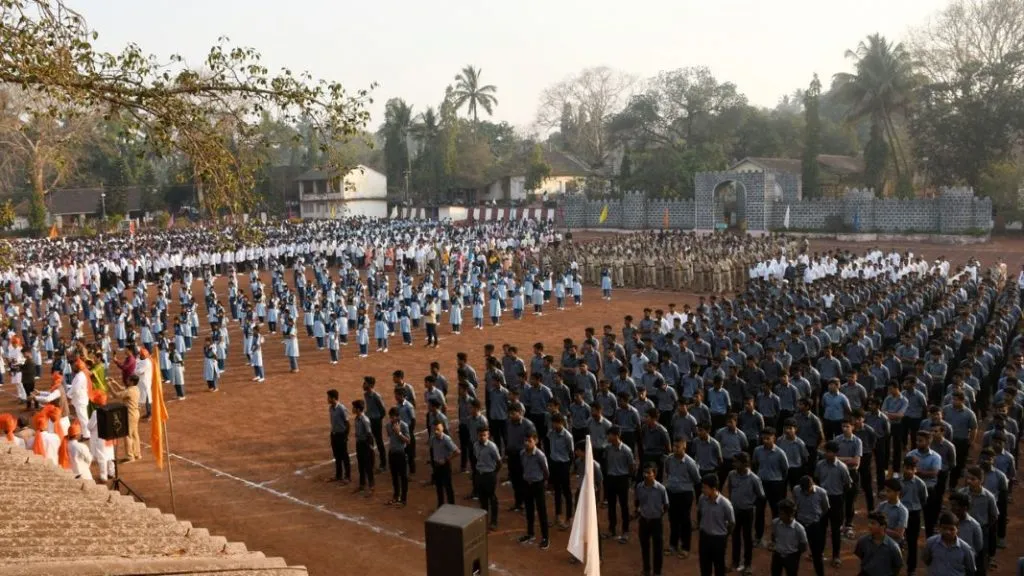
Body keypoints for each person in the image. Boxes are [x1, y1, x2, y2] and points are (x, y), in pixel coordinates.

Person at [814, 440, 851, 568]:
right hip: (822, 499)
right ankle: (819, 552)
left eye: (830, 452)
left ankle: (836, 556)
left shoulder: (842, 467)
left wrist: (840, 496)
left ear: (836, 453)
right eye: (826, 451)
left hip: (836, 500)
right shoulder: (820, 465)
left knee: (836, 529)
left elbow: (847, 484)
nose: (827, 454)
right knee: (821, 528)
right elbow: (817, 480)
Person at [665, 437, 703, 558]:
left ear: (684, 447)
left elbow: (697, 480)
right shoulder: (669, 459)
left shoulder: (690, 463)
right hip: (671, 492)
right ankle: (673, 545)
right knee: (672, 519)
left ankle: (685, 547)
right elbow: (668, 472)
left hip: (685, 494)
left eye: (678, 447)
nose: (675, 449)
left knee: (685, 520)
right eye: (674, 446)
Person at [727, 452, 763, 575]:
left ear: (744, 463)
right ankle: (735, 562)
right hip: (735, 510)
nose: (733, 464)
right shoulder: (731, 475)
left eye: (736, 462)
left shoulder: (754, 478)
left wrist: (751, 504)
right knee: (735, 536)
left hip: (747, 512)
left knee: (747, 538)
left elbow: (761, 496)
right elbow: (730, 489)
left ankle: (747, 564)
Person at [634, 463, 669, 576]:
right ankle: (646, 569)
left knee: (657, 548)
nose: (646, 475)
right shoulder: (639, 487)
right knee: (645, 547)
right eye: (645, 472)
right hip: (644, 521)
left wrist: (658, 515)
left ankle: (657, 572)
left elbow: (666, 505)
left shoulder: (661, 489)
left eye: (649, 473)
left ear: (654, 474)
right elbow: (637, 501)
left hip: (656, 521)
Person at [519, 431, 550, 550]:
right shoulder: (522, 453)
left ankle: (545, 538)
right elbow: (524, 467)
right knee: (529, 509)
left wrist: (542, 482)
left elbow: (546, 472)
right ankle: (530, 533)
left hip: (538, 484)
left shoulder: (540, 456)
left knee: (542, 511)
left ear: (535, 441)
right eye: (525, 441)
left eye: (529, 441)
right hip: (527, 484)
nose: (527, 443)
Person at [698, 473, 734, 576]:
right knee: (704, 567)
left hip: (718, 539)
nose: (702, 490)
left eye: (705, 488)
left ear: (713, 488)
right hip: (704, 537)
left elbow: (731, 523)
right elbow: (700, 513)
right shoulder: (702, 499)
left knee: (719, 567)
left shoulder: (725, 504)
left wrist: (724, 536)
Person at [604, 425, 635, 543]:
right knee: (611, 505)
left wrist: (628, 477)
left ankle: (625, 531)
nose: (607, 437)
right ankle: (612, 529)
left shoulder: (626, 450)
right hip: (611, 478)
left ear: (616, 436)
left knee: (624, 506)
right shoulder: (608, 449)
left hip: (622, 479)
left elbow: (631, 466)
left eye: (609, 435)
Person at [793, 475, 829, 576]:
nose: (805, 492)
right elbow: (796, 502)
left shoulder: (821, 492)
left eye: (807, 490)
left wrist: (816, 518)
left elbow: (825, 509)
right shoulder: (796, 490)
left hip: (814, 526)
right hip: (800, 525)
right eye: (803, 490)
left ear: (812, 485)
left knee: (817, 555)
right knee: (795, 553)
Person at [922, 512, 977, 576]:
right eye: (944, 528)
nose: (948, 532)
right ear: (939, 527)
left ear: (957, 529)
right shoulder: (931, 543)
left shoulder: (965, 548)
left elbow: (970, 569)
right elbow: (926, 559)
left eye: (951, 529)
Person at [853, 512, 904, 576]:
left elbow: (898, 566)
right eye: (869, 523)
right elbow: (860, 557)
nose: (869, 525)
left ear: (882, 526)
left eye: (873, 523)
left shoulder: (893, 546)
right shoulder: (862, 541)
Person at [948, 492, 986, 576]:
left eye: (954, 505)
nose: (952, 508)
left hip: (966, 566)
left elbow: (978, 547)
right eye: (951, 505)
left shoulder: (974, 526)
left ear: (964, 508)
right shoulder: (948, 522)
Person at [769, 499, 807, 576]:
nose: (780, 516)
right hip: (777, 556)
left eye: (782, 514)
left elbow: (803, 546)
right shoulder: (775, 523)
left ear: (791, 513)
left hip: (791, 558)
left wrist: (794, 554)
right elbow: (773, 536)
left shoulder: (799, 528)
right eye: (779, 513)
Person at [474, 425, 501, 530]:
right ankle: (484, 519)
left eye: (484, 435)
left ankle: (494, 521)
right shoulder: (475, 445)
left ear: (488, 435)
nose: (482, 437)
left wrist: (493, 473)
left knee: (492, 498)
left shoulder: (492, 447)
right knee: (482, 498)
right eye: (480, 435)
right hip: (479, 474)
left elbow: (499, 462)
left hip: (489, 475)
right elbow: (477, 458)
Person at [386, 406, 410, 507]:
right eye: (390, 417)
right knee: (394, 477)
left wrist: (399, 433)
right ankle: (396, 496)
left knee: (403, 477)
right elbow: (390, 437)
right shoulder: (388, 425)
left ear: (398, 417)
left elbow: (408, 441)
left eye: (393, 417)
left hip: (401, 454)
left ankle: (403, 499)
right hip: (392, 453)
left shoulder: (404, 426)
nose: (391, 419)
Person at [327, 389, 351, 484]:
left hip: (341, 435)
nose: (327, 399)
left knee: (344, 456)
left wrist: (345, 436)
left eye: (329, 397)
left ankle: (347, 476)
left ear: (333, 398)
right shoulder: (331, 408)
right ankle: (338, 475)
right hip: (334, 434)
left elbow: (347, 423)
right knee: (337, 456)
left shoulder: (341, 408)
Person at [352, 399, 375, 496]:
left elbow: (369, 434)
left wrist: (370, 447)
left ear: (358, 409)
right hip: (359, 444)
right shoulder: (356, 419)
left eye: (353, 407)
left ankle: (371, 486)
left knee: (368, 466)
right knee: (361, 465)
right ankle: (362, 484)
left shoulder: (365, 420)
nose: (352, 409)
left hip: (365, 444)